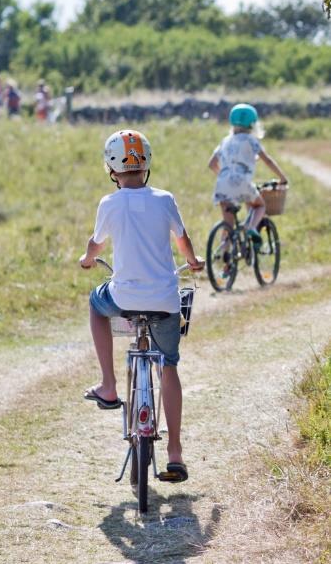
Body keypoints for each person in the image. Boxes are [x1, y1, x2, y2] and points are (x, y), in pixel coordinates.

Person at [79, 129, 204, 483]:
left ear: (111, 169)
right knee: (169, 366)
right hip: (164, 300)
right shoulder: (165, 199)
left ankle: (108, 385)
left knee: (95, 304)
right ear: (146, 164)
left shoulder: (109, 203)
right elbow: (183, 239)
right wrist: (193, 262)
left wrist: (88, 260)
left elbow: (96, 244)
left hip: (124, 298)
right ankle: (175, 452)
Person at [208, 104, 288, 243]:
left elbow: (212, 164)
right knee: (260, 205)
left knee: (228, 227)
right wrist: (282, 177)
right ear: (252, 123)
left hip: (222, 185)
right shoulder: (251, 140)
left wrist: (225, 175)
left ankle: (225, 259)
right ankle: (251, 227)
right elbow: (267, 160)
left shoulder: (225, 140)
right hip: (242, 183)